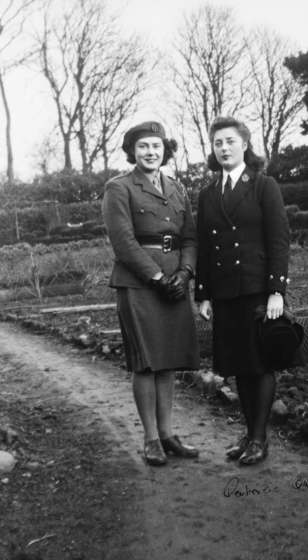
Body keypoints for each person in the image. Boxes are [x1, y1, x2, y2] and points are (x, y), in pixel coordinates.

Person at [102, 121, 200, 466]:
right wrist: (158, 276)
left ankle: (169, 434)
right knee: (146, 363)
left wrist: (185, 274)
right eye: (143, 146)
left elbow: (189, 236)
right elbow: (123, 242)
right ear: (133, 151)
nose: (150, 152)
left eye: (156, 146)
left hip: (174, 284)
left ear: (165, 150)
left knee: (168, 361)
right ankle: (150, 439)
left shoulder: (177, 188)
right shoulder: (119, 187)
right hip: (140, 284)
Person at [195, 116, 291, 465]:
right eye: (218, 143)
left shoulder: (264, 186)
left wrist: (276, 291)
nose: (224, 148)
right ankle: (250, 433)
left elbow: (279, 241)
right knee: (238, 365)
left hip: (256, 289)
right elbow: (205, 246)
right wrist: (203, 293)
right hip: (224, 292)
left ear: (245, 145)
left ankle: (259, 439)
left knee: (259, 363)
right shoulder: (207, 194)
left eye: (230, 141)